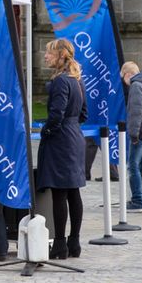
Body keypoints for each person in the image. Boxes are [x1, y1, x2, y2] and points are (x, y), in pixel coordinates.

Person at [37, 39, 88, 260]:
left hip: (61, 141)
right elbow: (84, 113)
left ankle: (59, 244)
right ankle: (73, 242)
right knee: (73, 191)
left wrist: (45, 132)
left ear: (59, 56)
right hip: (75, 136)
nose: (45, 57)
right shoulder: (76, 79)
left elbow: (56, 115)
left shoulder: (60, 81)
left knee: (60, 193)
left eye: (49, 53)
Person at [121, 61, 142, 213]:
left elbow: (136, 113)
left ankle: (137, 200)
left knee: (133, 165)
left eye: (123, 78)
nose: (124, 82)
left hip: (140, 132)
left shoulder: (135, 86)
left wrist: (133, 133)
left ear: (128, 74)